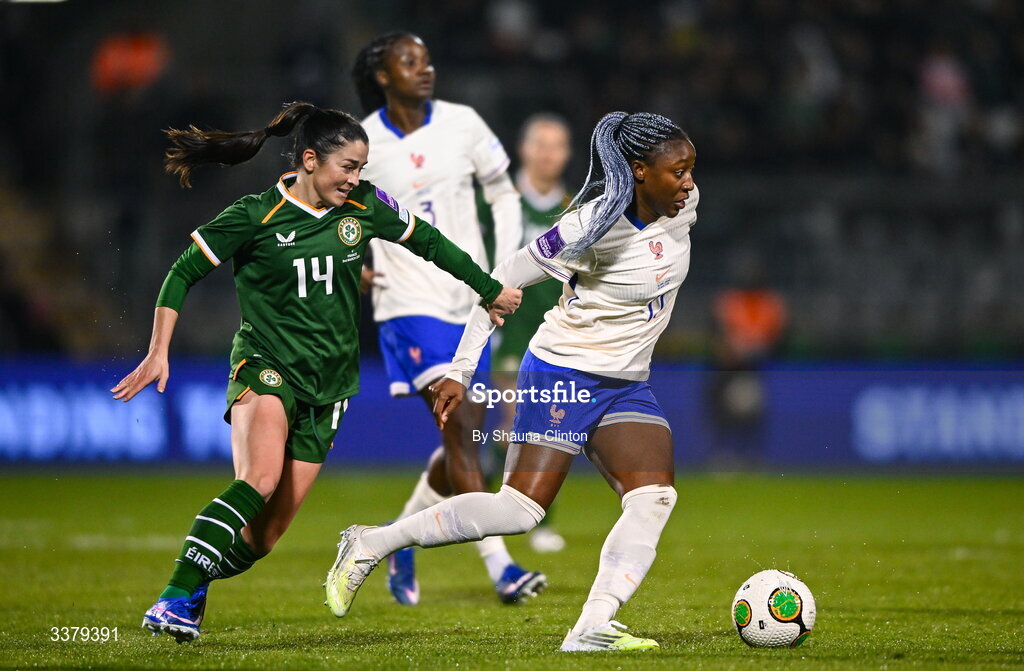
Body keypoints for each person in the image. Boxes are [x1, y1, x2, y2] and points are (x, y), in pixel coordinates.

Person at [111, 101, 521, 643]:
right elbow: (182, 273)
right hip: (266, 368)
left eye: (361, 168)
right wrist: (159, 349)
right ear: (309, 159)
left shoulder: (366, 208)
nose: (355, 179)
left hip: (331, 387)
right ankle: (171, 599)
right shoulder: (255, 214)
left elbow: (430, 243)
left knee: (263, 538)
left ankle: (196, 584)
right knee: (259, 479)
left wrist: (488, 289)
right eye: (346, 167)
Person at [325, 111, 699, 653]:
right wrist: (461, 370)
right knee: (519, 512)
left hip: (626, 382)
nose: (689, 182)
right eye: (678, 171)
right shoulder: (586, 228)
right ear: (639, 171)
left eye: (691, 170)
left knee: (654, 497)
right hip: (562, 373)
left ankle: (591, 626)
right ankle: (370, 543)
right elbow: (502, 283)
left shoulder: (684, 206)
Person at [350, 31, 543, 606]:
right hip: (408, 302)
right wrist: (350, 261)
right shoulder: (364, 142)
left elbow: (504, 195)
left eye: (427, 58)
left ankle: (394, 541)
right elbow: (324, 202)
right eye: (410, 61)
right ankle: (502, 569)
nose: (425, 68)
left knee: (465, 435)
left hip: (469, 301)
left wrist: (504, 269)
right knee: (463, 430)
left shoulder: (463, 123)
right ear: (383, 75)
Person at [487, 112, 573, 553]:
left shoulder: (575, 210)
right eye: (541, 143)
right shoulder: (501, 205)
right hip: (513, 331)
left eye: (557, 145)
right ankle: (502, 509)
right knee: (513, 422)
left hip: (561, 332)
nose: (548, 153)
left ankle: (534, 517)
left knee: (553, 427)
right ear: (523, 149)